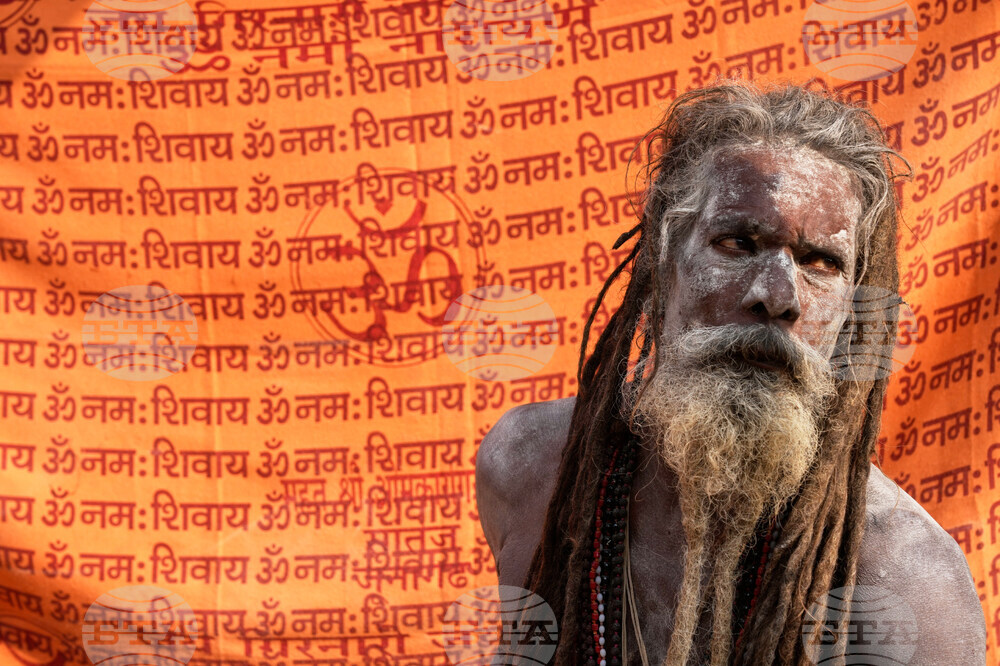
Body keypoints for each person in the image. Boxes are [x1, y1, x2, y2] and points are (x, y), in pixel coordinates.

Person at [474, 80, 986, 665]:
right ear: (659, 266)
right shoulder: (528, 469)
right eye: (738, 243)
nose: (778, 296)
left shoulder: (905, 584)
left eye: (821, 262)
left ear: (852, 309)